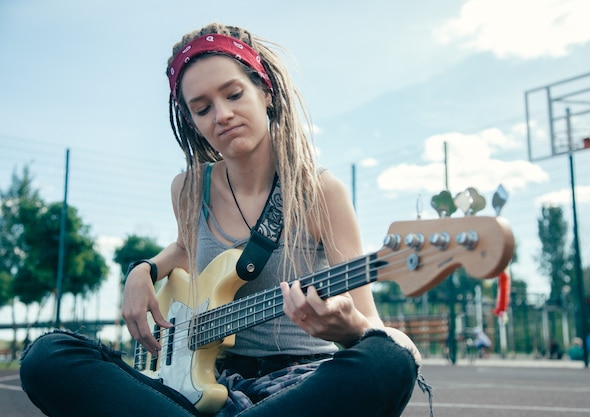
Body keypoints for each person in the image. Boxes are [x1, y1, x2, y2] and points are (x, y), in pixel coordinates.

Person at [19, 22, 428, 417]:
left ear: (264, 91)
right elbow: (185, 248)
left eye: (234, 94)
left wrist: (347, 329)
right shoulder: (187, 188)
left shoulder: (320, 193)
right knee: (48, 355)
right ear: (191, 122)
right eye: (202, 108)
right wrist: (143, 270)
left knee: (389, 358)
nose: (222, 115)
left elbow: (370, 322)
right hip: (196, 387)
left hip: (300, 386)